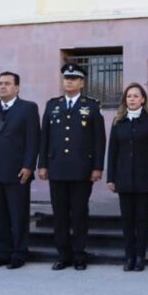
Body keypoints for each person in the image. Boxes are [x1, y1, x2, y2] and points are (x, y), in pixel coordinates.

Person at [38, 64, 106, 271]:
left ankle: (79, 254)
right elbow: (45, 138)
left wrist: (97, 167)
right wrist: (42, 165)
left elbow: (99, 140)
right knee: (59, 214)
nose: (69, 81)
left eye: (74, 78)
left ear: (82, 83)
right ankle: (63, 255)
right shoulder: (52, 105)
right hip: (56, 168)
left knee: (78, 213)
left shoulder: (92, 106)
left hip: (81, 170)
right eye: (66, 78)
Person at [0, 71, 40, 270]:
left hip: (18, 172)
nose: (2, 86)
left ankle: (19, 253)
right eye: (0, 83)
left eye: (7, 83)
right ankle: (1, 253)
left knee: (18, 215)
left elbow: (34, 139)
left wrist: (29, 166)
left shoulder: (28, 108)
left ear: (17, 87)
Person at [107, 83, 148, 272]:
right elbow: (112, 151)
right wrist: (111, 178)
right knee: (127, 220)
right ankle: (129, 256)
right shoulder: (118, 121)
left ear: (143, 99)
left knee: (142, 219)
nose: (131, 99)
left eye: (135, 96)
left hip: (144, 177)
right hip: (123, 178)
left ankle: (140, 256)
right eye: (129, 96)